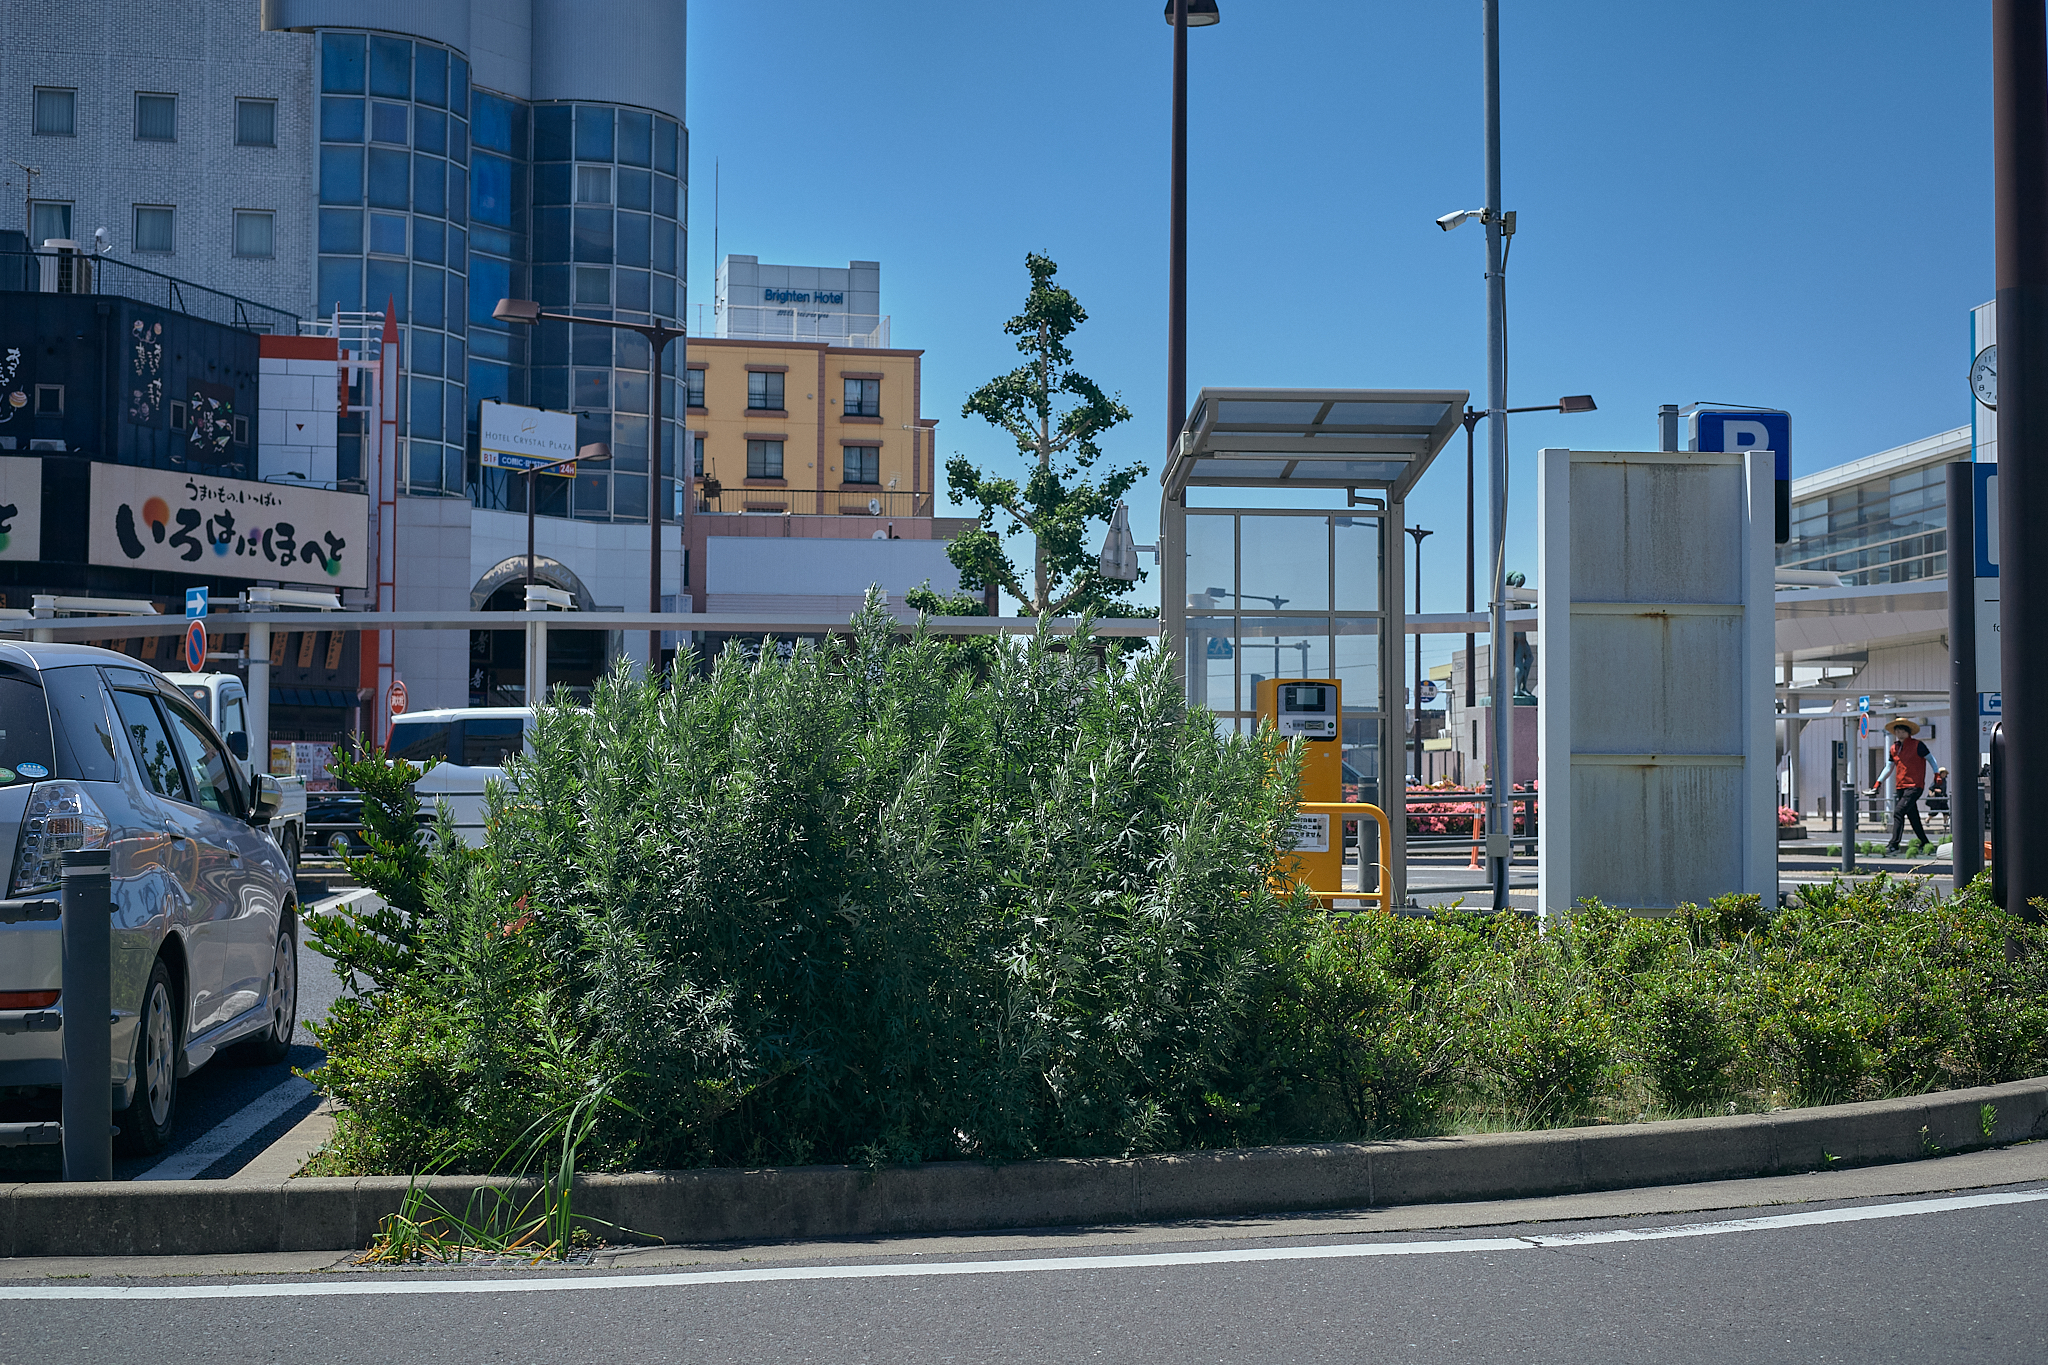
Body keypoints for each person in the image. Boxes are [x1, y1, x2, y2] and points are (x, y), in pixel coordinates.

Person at [1870, 717, 1932, 855]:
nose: (1899, 733)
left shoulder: (1918, 745)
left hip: (1915, 785)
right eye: (1897, 730)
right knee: (1913, 816)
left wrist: (1937, 774)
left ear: (1908, 732)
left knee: (1898, 811)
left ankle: (1894, 845)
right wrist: (1878, 782)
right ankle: (1925, 842)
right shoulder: (1894, 748)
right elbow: (1889, 767)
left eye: (1902, 730)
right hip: (1901, 786)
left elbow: (1931, 759)